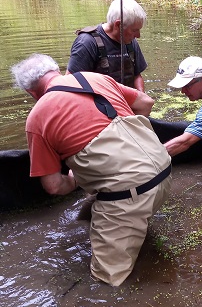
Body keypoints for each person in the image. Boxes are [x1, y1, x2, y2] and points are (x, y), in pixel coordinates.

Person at [11, 53, 172, 287]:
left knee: (105, 283)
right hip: (164, 172)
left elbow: (54, 185)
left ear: (31, 92)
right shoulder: (94, 78)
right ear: (57, 69)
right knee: (95, 205)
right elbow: (145, 103)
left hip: (130, 197)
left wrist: (75, 178)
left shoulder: (37, 119)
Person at [67, 0, 148, 90]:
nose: (138, 35)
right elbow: (70, 83)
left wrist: (141, 96)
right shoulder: (87, 43)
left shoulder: (130, 42)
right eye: (134, 30)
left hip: (126, 103)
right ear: (118, 25)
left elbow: (137, 75)